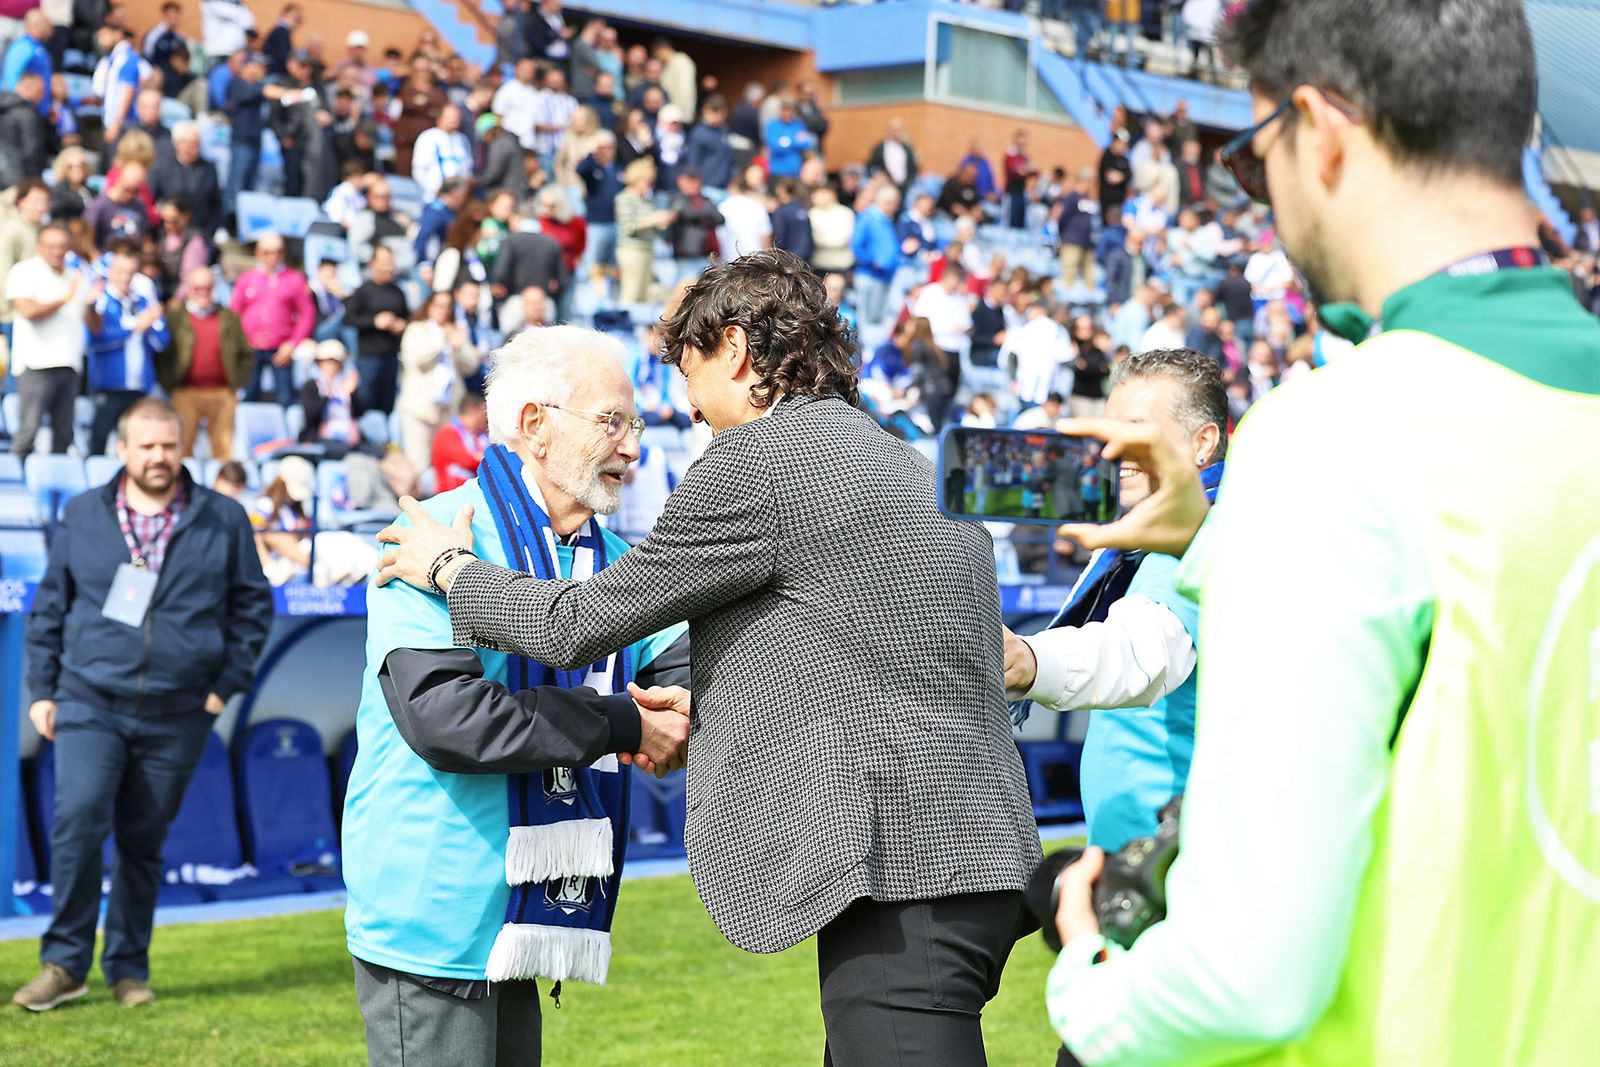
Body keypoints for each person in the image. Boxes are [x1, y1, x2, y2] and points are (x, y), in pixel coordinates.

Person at [1045, 2, 1600, 1062]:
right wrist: (1213, 543)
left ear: (1322, 129)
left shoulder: (1335, 435)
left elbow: (1243, 978)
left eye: (1254, 162)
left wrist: (1086, 983)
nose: (1265, 202)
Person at [374, 251, 1041, 1064]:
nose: (691, 418)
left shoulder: (758, 461)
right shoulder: (908, 458)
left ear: (733, 348)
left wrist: (448, 569)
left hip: (897, 868)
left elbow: (577, 625)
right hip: (983, 845)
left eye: (687, 385)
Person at [345, 325, 692, 1066]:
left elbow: (685, 679)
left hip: (519, 916)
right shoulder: (428, 535)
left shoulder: (619, 559)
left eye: (633, 424)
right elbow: (451, 720)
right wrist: (627, 721)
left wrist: (677, 709)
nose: (632, 446)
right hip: (433, 916)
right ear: (535, 425)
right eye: (612, 421)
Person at [12, 397, 271, 1013]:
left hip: (179, 710)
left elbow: (253, 608)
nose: (158, 457)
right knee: (76, 822)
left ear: (183, 448)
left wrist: (220, 688)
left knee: (143, 840)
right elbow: (50, 606)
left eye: (168, 445)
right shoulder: (82, 513)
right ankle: (63, 963)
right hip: (88, 698)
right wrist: (42, 690)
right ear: (122, 450)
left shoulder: (224, 517)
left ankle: (127, 967)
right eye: (146, 446)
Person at [1009, 348, 1225, 853]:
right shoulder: (1144, 536)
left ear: (1203, 443)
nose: (1114, 449)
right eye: (1110, 431)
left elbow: (1140, 653)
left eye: (1137, 430)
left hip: (1169, 856)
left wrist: (1030, 661)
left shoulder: (1200, 537)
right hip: (1145, 849)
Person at [7, 225, 86, 459]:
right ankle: (20, 489)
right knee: (27, 432)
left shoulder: (76, 275)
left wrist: (94, 303)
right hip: (36, 365)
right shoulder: (24, 271)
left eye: (62, 246)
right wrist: (64, 298)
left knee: (64, 435)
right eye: (51, 246)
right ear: (38, 247)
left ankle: (58, 489)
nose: (57, 251)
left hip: (70, 364)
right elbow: (28, 311)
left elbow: (90, 318)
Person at [85, 245, 170, 455]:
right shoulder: (102, 301)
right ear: (111, 272)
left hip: (140, 386)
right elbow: (97, 339)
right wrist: (134, 327)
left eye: (130, 273)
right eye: (120, 272)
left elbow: (162, 342)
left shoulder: (142, 301)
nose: (125, 277)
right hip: (109, 386)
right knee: (99, 441)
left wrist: (150, 324)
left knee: (138, 442)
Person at [159, 267, 252, 460]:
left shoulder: (228, 317)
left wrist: (237, 383)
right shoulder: (174, 317)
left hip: (222, 392)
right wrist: (171, 385)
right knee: (182, 446)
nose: (203, 292)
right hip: (186, 391)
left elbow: (246, 354)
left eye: (207, 288)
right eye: (197, 288)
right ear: (189, 288)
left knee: (224, 450)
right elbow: (162, 354)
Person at [397, 290, 484, 475]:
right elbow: (416, 360)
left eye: (447, 307)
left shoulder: (454, 331)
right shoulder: (417, 329)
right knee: (419, 465)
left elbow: (471, 366)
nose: (443, 311)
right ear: (429, 306)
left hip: (447, 409)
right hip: (419, 409)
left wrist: (459, 345)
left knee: (443, 466)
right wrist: (441, 339)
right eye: (439, 305)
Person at [230, 233, 316, 407]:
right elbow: (234, 313)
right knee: (248, 396)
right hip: (251, 347)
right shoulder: (247, 279)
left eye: (278, 252)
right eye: (268, 252)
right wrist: (240, 342)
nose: (273, 257)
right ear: (259, 253)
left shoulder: (294, 279)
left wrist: (292, 343)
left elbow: (307, 314)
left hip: (281, 347)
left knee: (285, 398)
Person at [343, 244, 412, 416]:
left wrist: (402, 325)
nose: (389, 267)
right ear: (373, 264)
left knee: (387, 402)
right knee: (366, 401)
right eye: (384, 262)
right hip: (368, 356)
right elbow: (348, 319)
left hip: (391, 355)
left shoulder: (398, 292)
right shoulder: (363, 291)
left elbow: (408, 318)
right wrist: (374, 321)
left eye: (391, 262)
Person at [150, 122, 223, 239]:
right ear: (177, 144)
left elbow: (215, 205)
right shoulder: (162, 167)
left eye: (197, 144)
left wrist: (208, 233)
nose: (194, 149)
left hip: (199, 232)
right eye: (190, 145)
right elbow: (152, 199)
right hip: (167, 232)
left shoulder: (208, 169)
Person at [613, 157, 670, 304]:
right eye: (647, 181)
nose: (650, 185)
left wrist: (662, 223)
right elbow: (628, 227)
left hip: (647, 249)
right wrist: (653, 220)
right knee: (631, 293)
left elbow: (653, 227)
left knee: (645, 295)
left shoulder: (648, 200)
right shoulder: (624, 198)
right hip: (632, 251)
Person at [0, 180, 49, 344]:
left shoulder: (41, 229)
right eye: (36, 202)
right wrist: (7, 313)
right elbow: (2, 270)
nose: (41, 207)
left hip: (35, 310)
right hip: (14, 313)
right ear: (21, 202)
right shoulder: (12, 229)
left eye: (45, 202)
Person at [850, 184, 900, 328]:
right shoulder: (867, 218)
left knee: (878, 319)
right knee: (868, 320)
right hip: (870, 276)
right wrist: (872, 261)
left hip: (883, 277)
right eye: (895, 203)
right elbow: (856, 245)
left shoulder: (885, 220)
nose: (896, 207)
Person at [666, 167, 723, 283]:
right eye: (690, 181)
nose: (693, 185)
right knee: (685, 287)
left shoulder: (705, 199)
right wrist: (704, 217)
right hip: (686, 254)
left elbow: (720, 218)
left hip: (705, 254)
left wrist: (701, 218)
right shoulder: (676, 198)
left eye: (695, 181)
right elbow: (687, 213)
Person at [431, 390, 488, 493]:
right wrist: (486, 457)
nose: (486, 416)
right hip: (453, 497)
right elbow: (468, 461)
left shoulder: (481, 435)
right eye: (484, 411)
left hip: (477, 493)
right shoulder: (447, 434)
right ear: (473, 411)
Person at [684, 94, 732, 191]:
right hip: (706, 186)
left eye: (721, 113)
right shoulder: (698, 133)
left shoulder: (723, 130)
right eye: (715, 112)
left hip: (724, 185)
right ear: (706, 110)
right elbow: (693, 162)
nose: (719, 116)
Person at [866, 117, 918, 198]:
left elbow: (913, 168)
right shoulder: (879, 148)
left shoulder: (907, 148)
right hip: (886, 186)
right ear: (888, 130)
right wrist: (879, 177)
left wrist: (909, 182)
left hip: (905, 187)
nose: (895, 132)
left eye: (898, 130)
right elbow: (871, 166)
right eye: (893, 129)